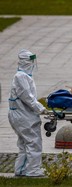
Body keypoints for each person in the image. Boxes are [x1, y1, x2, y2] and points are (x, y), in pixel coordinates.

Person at [8, 49, 48, 177]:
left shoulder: (24, 76)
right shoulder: (21, 77)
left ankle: (21, 169)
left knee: (24, 143)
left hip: (21, 114)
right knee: (33, 142)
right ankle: (32, 170)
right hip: (23, 115)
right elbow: (27, 97)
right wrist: (40, 108)